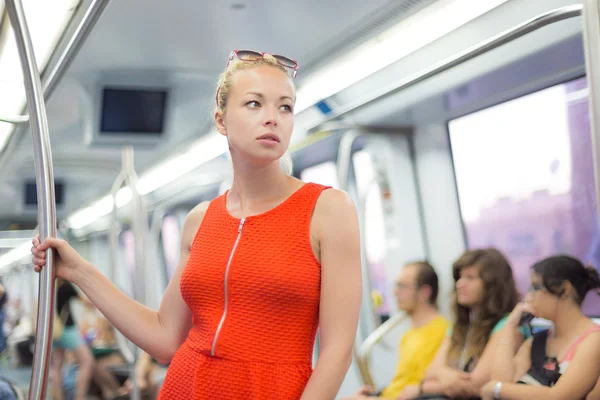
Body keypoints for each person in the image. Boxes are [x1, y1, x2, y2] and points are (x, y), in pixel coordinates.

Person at [31, 49, 362, 399]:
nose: (273, 118)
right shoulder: (200, 221)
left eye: (285, 107)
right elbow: (164, 338)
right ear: (221, 121)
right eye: (254, 104)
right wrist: (80, 271)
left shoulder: (327, 210)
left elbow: (337, 352)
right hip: (186, 386)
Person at [401, 248, 525, 399]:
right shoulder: (460, 326)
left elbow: (475, 385)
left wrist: (421, 388)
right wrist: (446, 375)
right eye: (459, 277)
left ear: (492, 285)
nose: (460, 284)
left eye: (470, 278)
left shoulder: (508, 324)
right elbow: (430, 372)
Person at [481, 255, 600, 399]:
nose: (528, 298)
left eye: (535, 288)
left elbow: (560, 397)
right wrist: (509, 327)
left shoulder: (593, 340)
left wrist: (497, 388)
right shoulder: (538, 341)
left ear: (564, 289)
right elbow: (502, 381)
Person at [342, 261, 449, 399]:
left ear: (424, 292)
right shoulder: (409, 335)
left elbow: (417, 387)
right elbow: (402, 381)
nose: (395, 292)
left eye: (402, 286)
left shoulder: (442, 332)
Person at [50, 279, 95, 400]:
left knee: (57, 366)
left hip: (54, 331)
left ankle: (58, 397)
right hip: (67, 329)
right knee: (87, 361)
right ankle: (79, 397)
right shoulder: (66, 286)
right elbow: (86, 302)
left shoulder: (49, 283)